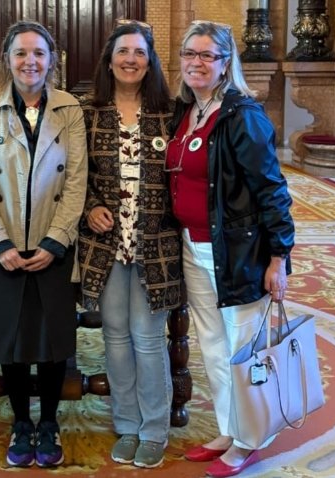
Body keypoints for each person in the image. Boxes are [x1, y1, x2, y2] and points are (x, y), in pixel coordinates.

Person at [168, 21, 295, 477]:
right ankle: (229, 428)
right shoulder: (186, 111)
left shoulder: (242, 115)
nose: (197, 63)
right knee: (213, 347)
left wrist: (279, 257)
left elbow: (272, 189)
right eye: (190, 54)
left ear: (226, 63)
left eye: (208, 55)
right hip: (193, 247)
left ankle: (249, 440)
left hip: (238, 253)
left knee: (244, 351)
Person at [0, 20, 88, 469]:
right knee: (10, 338)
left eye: (38, 53)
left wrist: (57, 240)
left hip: (53, 244)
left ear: (51, 60)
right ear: (7, 59)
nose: (29, 61)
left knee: (53, 339)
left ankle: (49, 421)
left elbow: (76, 180)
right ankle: (21, 421)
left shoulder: (69, 109)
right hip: (4, 247)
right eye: (20, 53)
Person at [77, 20, 180, 469]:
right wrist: (90, 207)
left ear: (150, 61)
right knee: (116, 335)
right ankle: (127, 424)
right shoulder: (87, 112)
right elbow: (73, 174)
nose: (131, 60)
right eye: (123, 51)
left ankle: (154, 429)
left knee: (148, 337)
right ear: (109, 59)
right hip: (105, 243)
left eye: (139, 52)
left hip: (156, 243)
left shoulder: (170, 112)